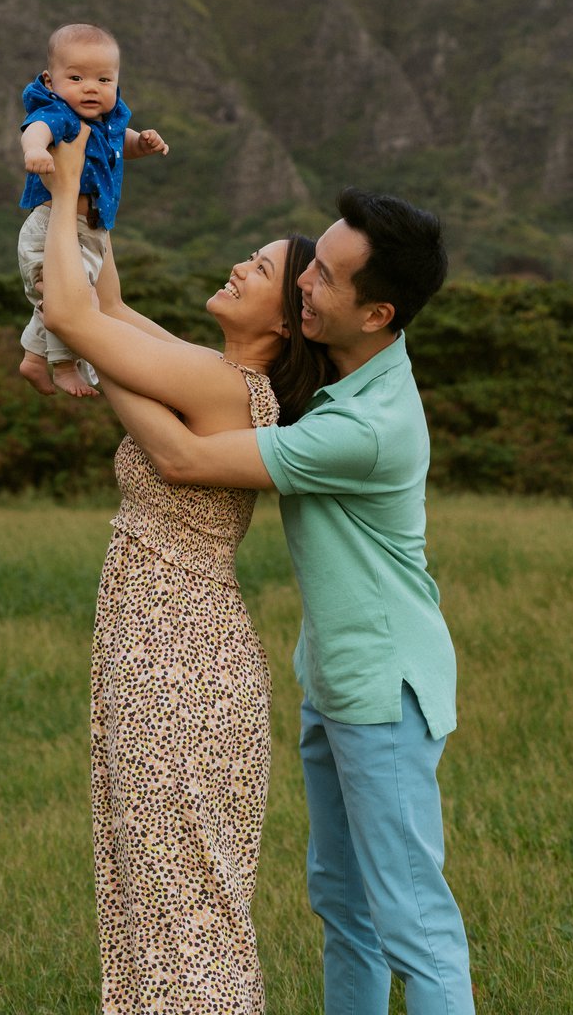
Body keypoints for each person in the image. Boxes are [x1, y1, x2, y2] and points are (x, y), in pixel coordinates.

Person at [87, 183, 475, 1015]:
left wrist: (87, 351)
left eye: (327, 277)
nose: (305, 280)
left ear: (378, 313)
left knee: (413, 924)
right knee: (344, 908)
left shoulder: (364, 426)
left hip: (385, 689)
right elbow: (143, 338)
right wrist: (96, 205)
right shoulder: (336, 379)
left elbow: (186, 460)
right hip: (334, 679)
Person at [39, 130, 334, 1015]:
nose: (240, 266)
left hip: (178, 656)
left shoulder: (230, 391)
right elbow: (104, 301)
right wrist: (94, 178)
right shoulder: (209, 373)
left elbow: (70, 315)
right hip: (165, 644)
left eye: (261, 268)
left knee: (183, 905)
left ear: (285, 324)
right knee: (164, 894)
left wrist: (55, 196)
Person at [17, 22, 168, 397]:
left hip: (88, 229)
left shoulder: (105, 120)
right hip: (54, 227)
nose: (91, 87)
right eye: (77, 77)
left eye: (104, 80)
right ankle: (64, 366)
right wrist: (34, 150)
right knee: (74, 302)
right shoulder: (61, 115)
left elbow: (120, 145)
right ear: (51, 81)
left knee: (63, 297)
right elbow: (35, 129)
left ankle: (35, 360)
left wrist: (142, 144)